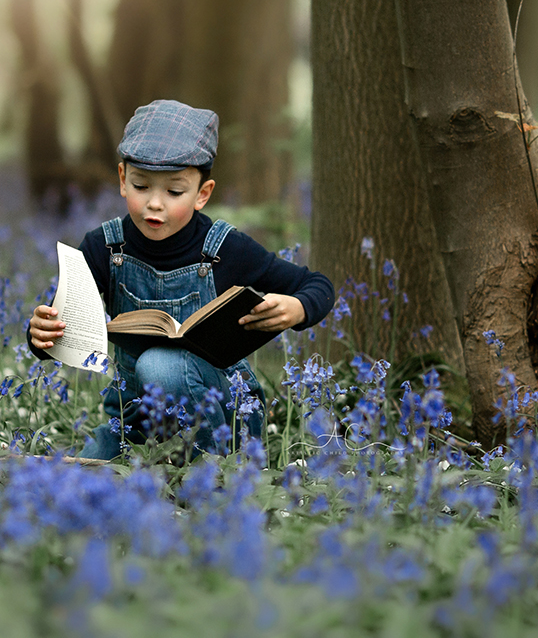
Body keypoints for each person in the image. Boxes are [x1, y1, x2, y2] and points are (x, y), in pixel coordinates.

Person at [29, 99, 334, 459]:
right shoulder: (103, 247)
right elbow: (61, 325)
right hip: (135, 418)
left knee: (160, 364)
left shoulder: (225, 248)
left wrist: (298, 307)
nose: (154, 204)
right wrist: (42, 336)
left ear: (202, 194)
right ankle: (160, 461)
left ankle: (213, 468)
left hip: (222, 416)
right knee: (83, 468)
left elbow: (318, 285)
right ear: (123, 179)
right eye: (142, 186)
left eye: (174, 192)